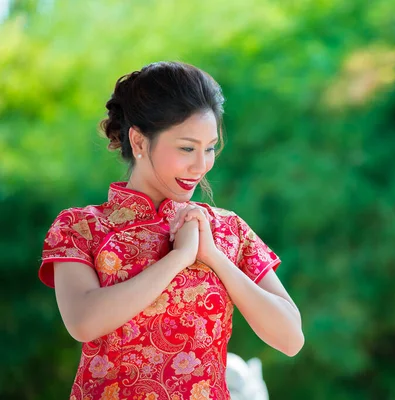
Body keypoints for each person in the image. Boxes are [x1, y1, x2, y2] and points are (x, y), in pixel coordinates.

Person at [38, 61, 304, 400]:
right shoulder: (82, 227)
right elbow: (83, 321)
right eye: (186, 148)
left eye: (209, 149)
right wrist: (178, 257)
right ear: (138, 140)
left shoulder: (227, 230)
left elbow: (291, 338)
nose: (201, 165)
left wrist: (215, 259)